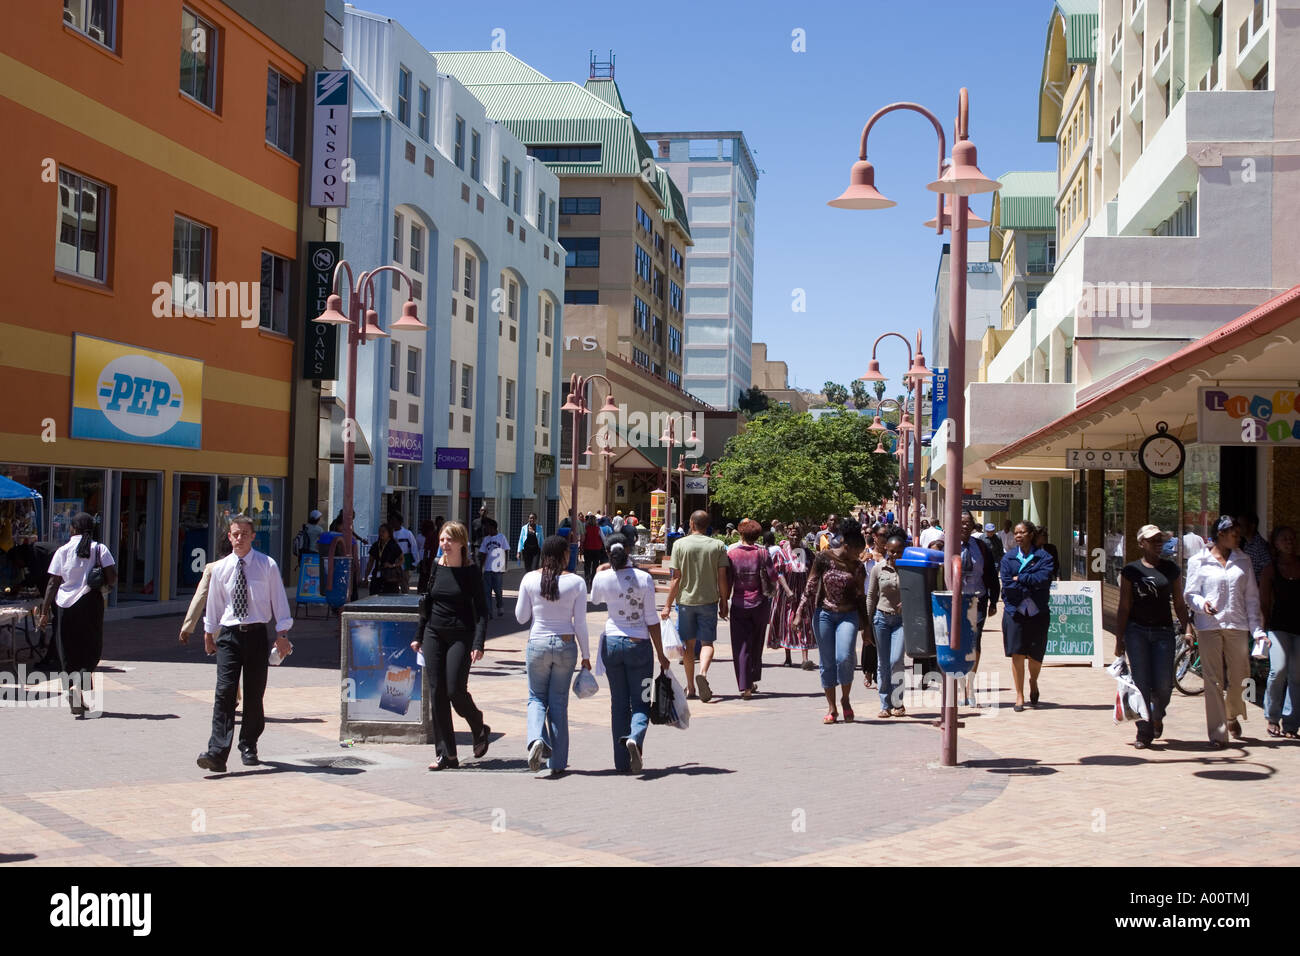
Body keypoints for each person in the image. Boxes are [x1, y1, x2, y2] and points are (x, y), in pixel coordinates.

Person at [193, 514, 293, 771]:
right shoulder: (221, 568)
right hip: (228, 636)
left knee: (254, 692)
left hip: (257, 634)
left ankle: (248, 744)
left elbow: (279, 600)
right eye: (235, 534)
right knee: (224, 692)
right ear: (229, 536)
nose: (239, 538)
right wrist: (208, 633)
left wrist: (282, 634)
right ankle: (216, 752)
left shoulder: (266, 565)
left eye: (244, 534)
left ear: (252, 537)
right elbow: (214, 603)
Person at [413, 521, 491, 770]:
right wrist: (419, 634)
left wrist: (479, 642)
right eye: (442, 539)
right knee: (436, 691)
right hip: (434, 633)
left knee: (455, 690)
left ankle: (477, 723)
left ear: (461, 543)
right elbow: (426, 603)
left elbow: (481, 611)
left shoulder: (471, 572)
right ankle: (446, 754)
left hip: (461, 635)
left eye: (449, 540)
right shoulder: (435, 567)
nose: (444, 544)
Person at [1184, 515, 1266, 748]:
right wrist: (1203, 605)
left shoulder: (1244, 560)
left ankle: (1231, 714)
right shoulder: (1198, 561)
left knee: (1240, 676)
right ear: (1220, 534)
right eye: (1233, 533)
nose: (1237, 537)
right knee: (1213, 679)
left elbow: (1252, 598)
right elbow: (1190, 594)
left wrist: (1257, 630)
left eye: (1238, 533)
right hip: (1209, 625)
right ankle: (1218, 733)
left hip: (1237, 625)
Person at [590, 533, 670, 771]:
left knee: (619, 703)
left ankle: (621, 762)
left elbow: (594, 600)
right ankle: (636, 737)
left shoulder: (603, 578)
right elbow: (652, 620)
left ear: (607, 552)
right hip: (640, 647)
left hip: (612, 645)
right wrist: (662, 654)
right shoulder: (644, 578)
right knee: (642, 700)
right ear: (629, 550)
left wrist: (600, 571)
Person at [516, 535, 591, 778]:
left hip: (537, 642)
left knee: (536, 698)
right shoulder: (577, 583)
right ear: (564, 555)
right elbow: (580, 623)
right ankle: (558, 762)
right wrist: (586, 656)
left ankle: (537, 738)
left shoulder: (529, 579)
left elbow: (520, 617)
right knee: (558, 703)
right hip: (565, 644)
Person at [1114, 525, 1190, 749]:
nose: (1157, 542)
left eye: (1160, 539)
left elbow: (1178, 602)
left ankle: (1157, 714)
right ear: (1141, 543)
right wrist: (1119, 639)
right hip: (1136, 631)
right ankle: (1144, 731)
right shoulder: (1130, 570)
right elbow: (1124, 606)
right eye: (1152, 539)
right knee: (1142, 682)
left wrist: (1187, 628)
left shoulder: (1171, 570)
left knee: (1164, 684)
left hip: (1163, 632)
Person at [38, 513, 116, 719]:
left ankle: (73, 689)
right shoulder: (100, 549)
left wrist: (44, 612)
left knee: (67, 648)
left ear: (73, 529)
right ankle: (79, 687)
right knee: (90, 646)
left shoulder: (62, 551)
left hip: (64, 606)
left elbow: (53, 583)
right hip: (90, 603)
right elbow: (112, 577)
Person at [798, 518, 870, 724]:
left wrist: (866, 628)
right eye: (857, 551)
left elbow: (860, 597)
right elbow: (811, 585)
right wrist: (800, 610)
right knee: (827, 661)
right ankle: (832, 707)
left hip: (848, 615)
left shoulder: (857, 567)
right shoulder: (824, 558)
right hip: (824, 615)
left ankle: (845, 699)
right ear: (846, 546)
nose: (859, 556)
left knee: (844, 657)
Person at [660, 509, 730, 702]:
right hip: (709, 600)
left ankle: (690, 688)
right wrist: (724, 601)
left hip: (685, 602)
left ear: (691, 523)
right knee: (707, 643)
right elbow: (722, 576)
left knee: (688, 646)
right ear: (708, 526)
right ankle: (703, 673)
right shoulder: (718, 545)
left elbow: (675, 578)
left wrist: (667, 605)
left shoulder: (680, 545)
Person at [999, 519, 1055, 713]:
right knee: (1017, 653)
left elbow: (1044, 579)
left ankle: (1033, 681)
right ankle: (1019, 695)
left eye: (1022, 532)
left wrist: (1021, 578)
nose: (1018, 536)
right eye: (1016, 533)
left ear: (1031, 534)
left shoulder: (1044, 557)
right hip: (1015, 612)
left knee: (1035, 656)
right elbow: (1007, 584)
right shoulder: (1008, 558)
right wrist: (1027, 586)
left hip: (1038, 612)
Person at [726, 519, 776, 699]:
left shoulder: (732, 554)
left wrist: (723, 601)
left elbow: (728, 581)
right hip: (760, 604)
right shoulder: (763, 553)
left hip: (739, 604)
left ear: (741, 534)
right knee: (756, 643)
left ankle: (746, 686)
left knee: (741, 646)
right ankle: (752, 678)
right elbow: (773, 576)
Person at [1259, 526, 1300, 739]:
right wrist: (1261, 631)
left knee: (1297, 675)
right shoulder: (1270, 569)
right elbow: (1264, 603)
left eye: (1292, 537)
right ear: (1275, 543)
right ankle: (1272, 717)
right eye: (1284, 539)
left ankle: (1291, 724)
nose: (1289, 541)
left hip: (1299, 628)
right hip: (1278, 627)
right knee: (1279, 670)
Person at [959, 512, 1000, 707]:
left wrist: (994, 600)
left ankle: (971, 686)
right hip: (954, 602)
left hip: (978, 599)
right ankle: (960, 687)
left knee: (974, 643)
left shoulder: (981, 547)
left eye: (968, 523)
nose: (965, 526)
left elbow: (992, 573)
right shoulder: (947, 546)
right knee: (958, 643)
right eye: (961, 523)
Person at [867, 528, 907, 717]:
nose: (895, 554)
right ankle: (885, 704)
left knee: (896, 660)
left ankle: (898, 701)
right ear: (886, 550)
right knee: (883, 663)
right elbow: (871, 597)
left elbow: (916, 593)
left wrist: (907, 602)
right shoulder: (878, 568)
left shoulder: (909, 569)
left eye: (899, 551)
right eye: (892, 551)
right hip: (881, 619)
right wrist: (866, 624)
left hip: (901, 621)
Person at [769, 522, 816, 669]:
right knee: (787, 622)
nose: (795, 537)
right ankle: (787, 657)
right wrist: (788, 590)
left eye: (797, 534)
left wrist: (810, 591)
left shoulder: (807, 553)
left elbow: (813, 573)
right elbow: (779, 572)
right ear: (787, 535)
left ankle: (805, 659)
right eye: (792, 534)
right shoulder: (781, 553)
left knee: (805, 622)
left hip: (804, 593)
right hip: (786, 593)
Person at [179, 535, 232, 644]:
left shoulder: (212, 568)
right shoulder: (253, 566)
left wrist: (187, 627)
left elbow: (199, 597)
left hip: (222, 625)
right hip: (250, 626)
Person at [479, 518, 509, 616]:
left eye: (487, 527)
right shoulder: (486, 539)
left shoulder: (501, 537)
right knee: (487, 592)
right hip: (487, 569)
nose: (485, 529)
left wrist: (504, 565)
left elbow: (505, 551)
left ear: (492, 528)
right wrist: (480, 567)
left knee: (497, 590)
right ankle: (489, 612)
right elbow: (482, 554)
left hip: (498, 569)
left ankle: (500, 606)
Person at [364, 524, 404, 595]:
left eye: (383, 532)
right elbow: (370, 562)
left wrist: (393, 565)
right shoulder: (376, 545)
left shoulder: (393, 545)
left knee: (389, 597)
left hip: (390, 577)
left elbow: (402, 559)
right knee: (374, 596)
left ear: (389, 533)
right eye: (379, 531)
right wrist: (366, 576)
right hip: (377, 576)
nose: (381, 534)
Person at [1237, 511, 1271, 583]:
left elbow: (1267, 571)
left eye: (1241, 525)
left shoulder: (1260, 546)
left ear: (1252, 526)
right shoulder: (1247, 544)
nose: (1238, 529)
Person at [388, 512, 418, 591]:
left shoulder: (407, 533)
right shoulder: (389, 534)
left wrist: (415, 562)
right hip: (392, 562)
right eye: (391, 521)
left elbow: (414, 547)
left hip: (404, 561)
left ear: (400, 522)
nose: (393, 523)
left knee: (404, 583)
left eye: (394, 521)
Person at [580, 513, 607, 586]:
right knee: (595, 565)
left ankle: (587, 578)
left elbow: (583, 539)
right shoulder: (598, 529)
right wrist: (606, 548)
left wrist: (581, 548)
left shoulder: (585, 528)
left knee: (587, 564)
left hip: (587, 548)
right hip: (597, 549)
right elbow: (604, 539)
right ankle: (592, 579)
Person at [416, 519, 438, 593]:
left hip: (431, 562)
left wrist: (424, 564)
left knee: (424, 581)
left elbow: (426, 551)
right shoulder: (434, 535)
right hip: (431, 562)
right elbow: (426, 551)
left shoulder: (431, 536)